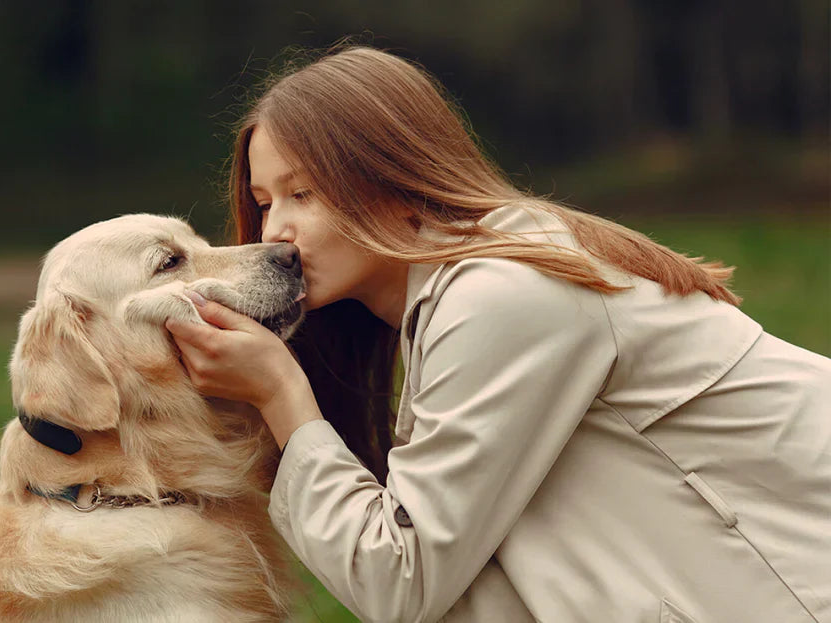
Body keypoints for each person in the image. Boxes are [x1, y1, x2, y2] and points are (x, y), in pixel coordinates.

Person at [165, 46, 831, 623]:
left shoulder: (503, 295)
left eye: (302, 193)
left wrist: (283, 392)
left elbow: (400, 578)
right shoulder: (461, 292)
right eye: (263, 201)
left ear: (391, 174)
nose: (275, 227)